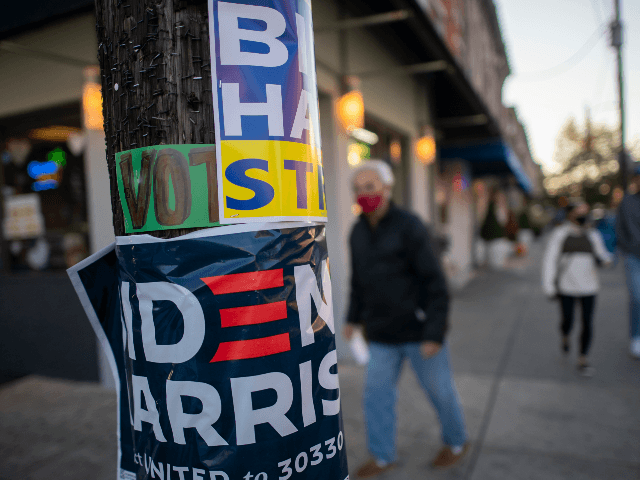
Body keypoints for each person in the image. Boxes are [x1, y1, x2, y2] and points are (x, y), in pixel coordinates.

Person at [343, 160, 468, 477]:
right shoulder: (357, 231)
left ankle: (456, 442)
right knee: (376, 398)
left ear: (386, 189)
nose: (363, 193)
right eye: (357, 189)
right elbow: (358, 282)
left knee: (440, 391)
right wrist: (352, 318)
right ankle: (382, 456)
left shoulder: (410, 226)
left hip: (419, 331)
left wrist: (434, 333)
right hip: (381, 334)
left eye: (369, 187)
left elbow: (436, 283)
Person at [542, 201, 613, 375]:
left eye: (585, 211)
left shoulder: (592, 234)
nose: (583, 214)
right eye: (580, 211)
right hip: (567, 286)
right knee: (568, 320)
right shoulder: (560, 234)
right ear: (570, 214)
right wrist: (549, 286)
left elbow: (602, 254)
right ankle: (565, 336)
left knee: (587, 322)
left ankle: (583, 358)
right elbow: (550, 261)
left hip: (589, 286)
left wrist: (607, 259)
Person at [616, 165, 640, 359]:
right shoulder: (627, 202)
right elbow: (619, 229)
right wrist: (628, 246)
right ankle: (636, 337)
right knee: (637, 297)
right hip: (633, 256)